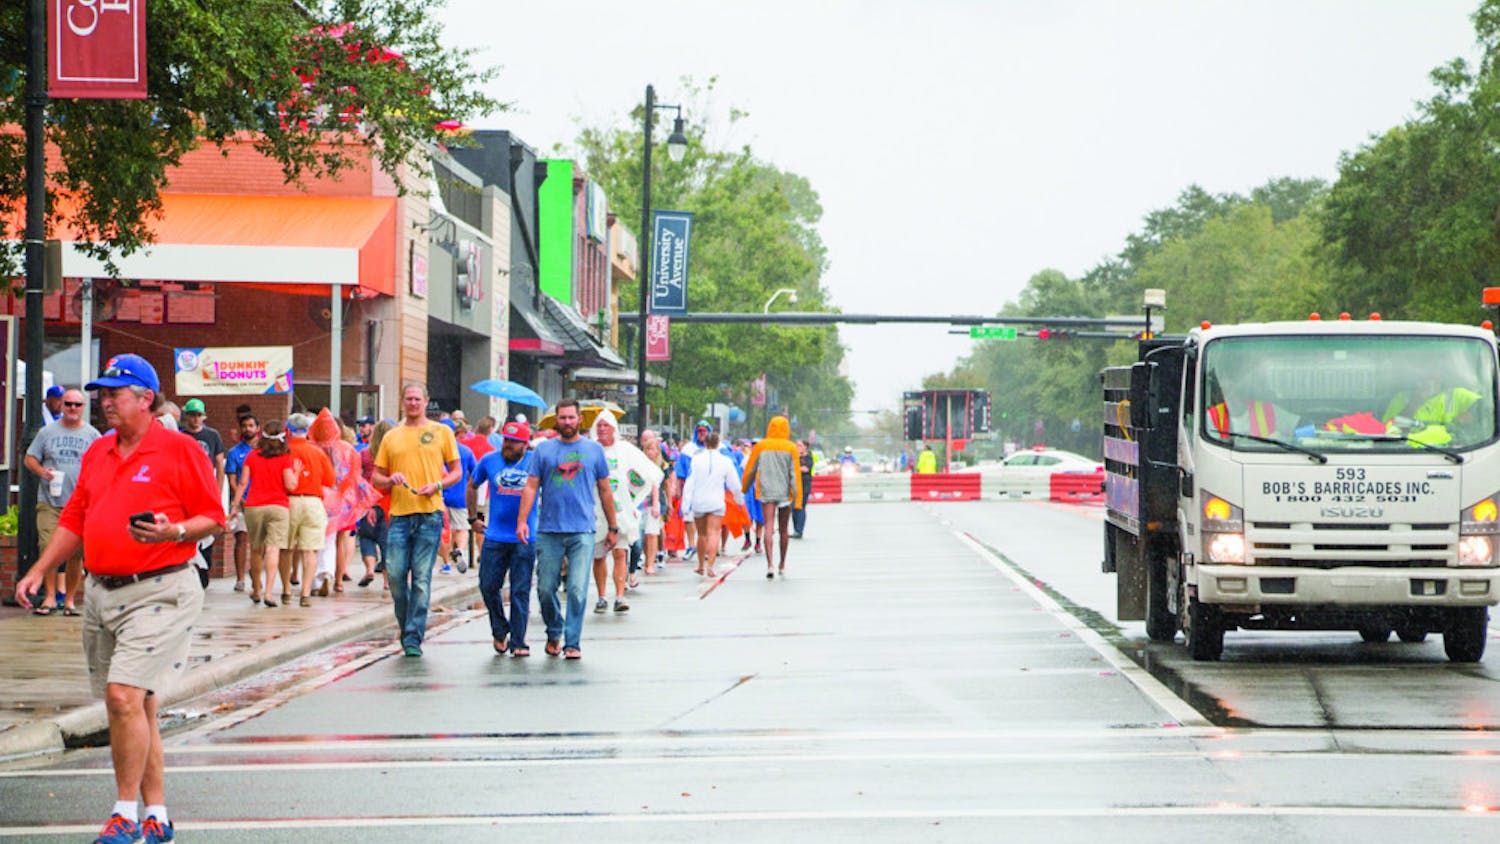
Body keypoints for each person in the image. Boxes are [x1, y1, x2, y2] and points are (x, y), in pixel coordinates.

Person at [15, 353, 224, 844]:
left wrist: (172, 531)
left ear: (145, 399)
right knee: (138, 706)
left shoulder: (181, 449)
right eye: (101, 393)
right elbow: (74, 521)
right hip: (102, 592)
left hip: (163, 588)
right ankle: (158, 815)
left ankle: (123, 814)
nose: (104, 401)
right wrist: (38, 571)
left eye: (115, 393)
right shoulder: (98, 450)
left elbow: (214, 517)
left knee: (123, 697)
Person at [516, 399, 618, 660]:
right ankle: (554, 630)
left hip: (582, 530)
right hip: (549, 529)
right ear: (556, 421)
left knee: (576, 589)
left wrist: (613, 526)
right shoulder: (544, 451)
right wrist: (522, 521)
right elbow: (530, 486)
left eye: (571, 418)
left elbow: (605, 490)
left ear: (580, 420)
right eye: (562, 418)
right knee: (545, 588)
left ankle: (572, 641)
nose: (567, 422)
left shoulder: (594, 451)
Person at [373, 383, 462, 657]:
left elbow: (457, 471)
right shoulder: (392, 437)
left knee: (421, 578)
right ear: (402, 402)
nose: (412, 403)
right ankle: (406, 625)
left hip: (430, 513)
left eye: (417, 399)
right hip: (399, 515)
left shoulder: (442, 432)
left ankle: (413, 636)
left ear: (426, 401)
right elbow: (376, 476)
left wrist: (437, 484)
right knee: (397, 576)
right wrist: (390, 479)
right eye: (408, 399)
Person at [23, 387, 100, 615]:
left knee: (76, 553)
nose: (72, 409)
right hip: (49, 501)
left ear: (83, 407)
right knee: (48, 547)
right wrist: (41, 471)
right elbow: (29, 458)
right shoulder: (47, 432)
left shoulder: (92, 435)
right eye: (68, 404)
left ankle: (69, 600)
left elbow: (102, 463)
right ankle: (48, 597)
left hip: (79, 503)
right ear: (61, 405)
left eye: (77, 404)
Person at [472, 420, 537, 656]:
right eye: (506, 440)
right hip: (495, 535)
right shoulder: (490, 460)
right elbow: (473, 484)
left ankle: (519, 641)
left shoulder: (534, 461)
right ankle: (500, 629)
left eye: (514, 442)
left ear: (525, 444)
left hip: (524, 537)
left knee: (520, 590)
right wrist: (473, 518)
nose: (508, 445)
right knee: (488, 585)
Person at [588, 411, 663, 613]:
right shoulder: (591, 450)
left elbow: (645, 472)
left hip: (620, 510)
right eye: (599, 425)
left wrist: (632, 497)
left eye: (606, 425)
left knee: (621, 552)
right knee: (599, 555)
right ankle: (602, 596)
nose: (602, 429)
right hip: (597, 510)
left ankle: (620, 595)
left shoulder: (625, 450)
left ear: (614, 428)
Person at [229, 420, 298, 607]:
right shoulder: (285, 458)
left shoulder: (252, 456)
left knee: (256, 550)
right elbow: (291, 486)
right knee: (273, 548)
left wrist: (235, 506)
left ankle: (256, 589)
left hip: (254, 506)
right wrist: (296, 472)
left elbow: (243, 483)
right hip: (278, 507)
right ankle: (269, 592)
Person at [283, 413, 335, 606]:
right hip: (313, 502)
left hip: (288, 501)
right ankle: (305, 592)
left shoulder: (284, 450)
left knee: (286, 548)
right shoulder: (318, 452)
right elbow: (330, 480)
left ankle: (287, 590)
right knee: (310, 550)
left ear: (288, 429)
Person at [741, 416, 803, 579]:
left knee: (768, 526)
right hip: (785, 492)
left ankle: (770, 564)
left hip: (767, 491)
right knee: (784, 529)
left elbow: (750, 470)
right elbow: (795, 475)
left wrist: (745, 488)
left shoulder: (761, 446)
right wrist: (798, 500)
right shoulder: (791, 447)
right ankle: (782, 564)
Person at [680, 431, 745, 578]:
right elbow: (734, 483)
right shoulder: (725, 461)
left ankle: (701, 565)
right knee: (714, 533)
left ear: (704, 443)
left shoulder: (696, 460)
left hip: (699, 501)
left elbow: (689, 483)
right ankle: (710, 566)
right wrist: (739, 500)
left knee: (702, 534)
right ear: (718, 443)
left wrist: (686, 505)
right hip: (716, 501)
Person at [180, 398, 226, 586]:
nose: (195, 419)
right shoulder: (181, 436)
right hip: (187, 490)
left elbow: (220, 463)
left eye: (198, 415)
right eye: (192, 415)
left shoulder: (212, 435)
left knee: (207, 531)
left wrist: (218, 489)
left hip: (207, 488)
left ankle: (204, 571)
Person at [223, 414, 261, 592]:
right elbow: (232, 479)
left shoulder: (264, 450)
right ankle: (240, 579)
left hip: (261, 501)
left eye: (251, 425)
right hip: (242, 501)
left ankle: (256, 575)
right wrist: (240, 499)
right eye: (245, 426)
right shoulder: (234, 452)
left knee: (259, 542)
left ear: (258, 428)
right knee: (242, 538)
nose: (248, 429)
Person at [357, 419, 395, 588]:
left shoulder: (365, 453)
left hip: (368, 501)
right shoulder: (394, 454)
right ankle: (387, 581)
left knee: (366, 536)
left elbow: (357, 478)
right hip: (389, 503)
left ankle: (370, 568)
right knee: (386, 541)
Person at [639, 430, 670, 575]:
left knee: (652, 533)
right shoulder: (638, 463)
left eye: (653, 449)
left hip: (655, 502)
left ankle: (650, 562)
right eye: (648, 449)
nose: (650, 452)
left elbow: (666, 483)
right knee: (643, 535)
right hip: (641, 503)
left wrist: (666, 502)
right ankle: (645, 558)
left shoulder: (661, 466)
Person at [791, 439, 814, 539]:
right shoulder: (793, 457)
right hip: (793, 485)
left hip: (804, 485)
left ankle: (799, 531)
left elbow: (806, 469)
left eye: (800, 445)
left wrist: (796, 467)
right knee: (793, 508)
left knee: (801, 507)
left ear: (805, 447)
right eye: (796, 445)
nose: (798, 447)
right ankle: (795, 529)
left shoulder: (808, 457)